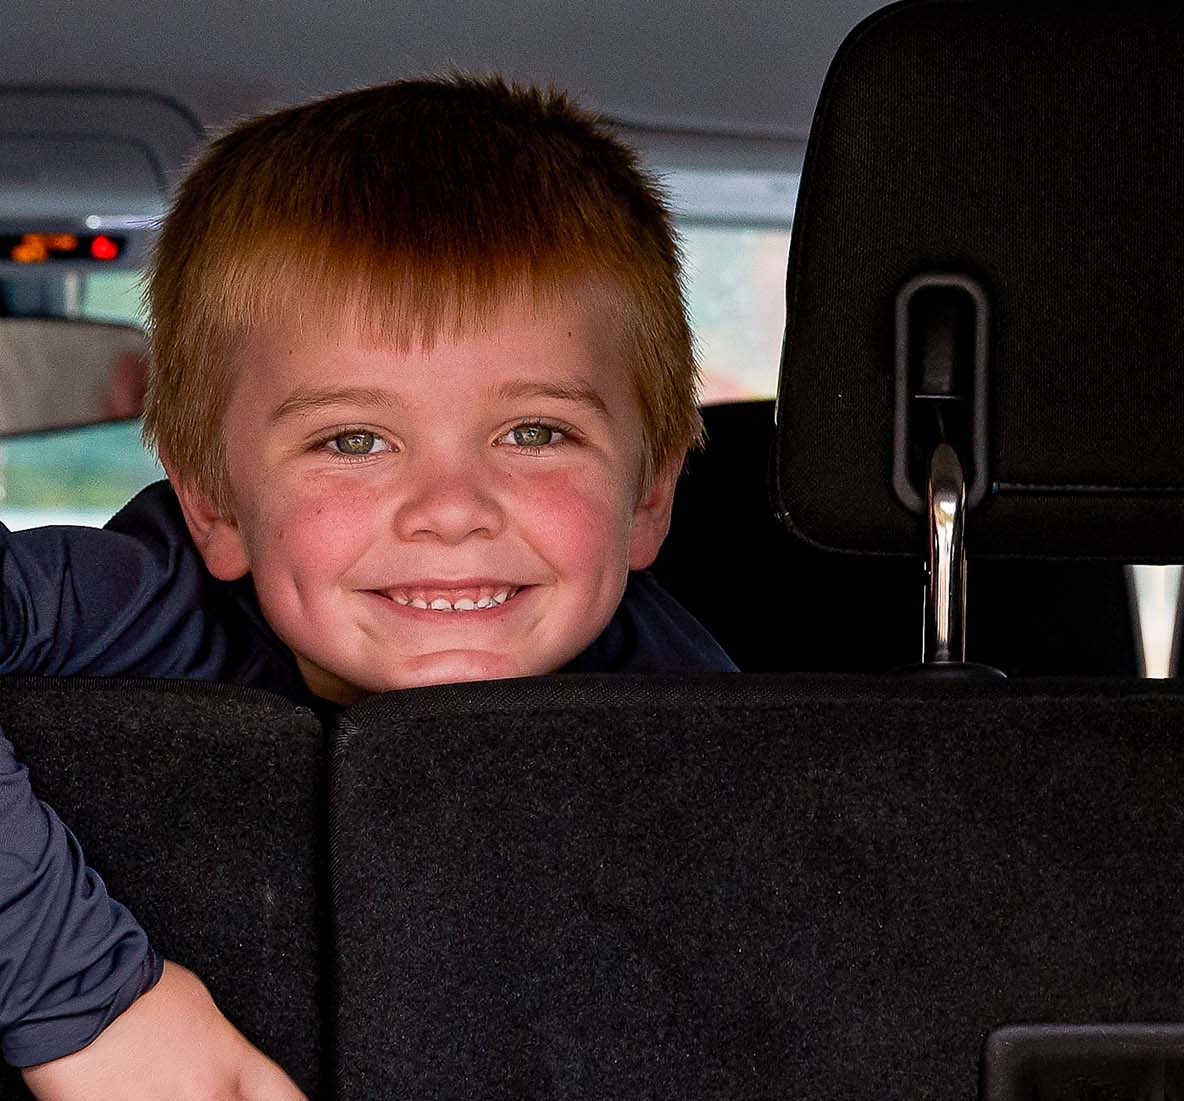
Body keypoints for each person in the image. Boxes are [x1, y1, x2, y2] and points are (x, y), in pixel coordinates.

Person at [1, 74, 734, 1096]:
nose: (449, 507)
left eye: (534, 432)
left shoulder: (717, 748)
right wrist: (91, 1007)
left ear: (647, 496)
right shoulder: (146, 601)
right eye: (353, 439)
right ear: (214, 505)